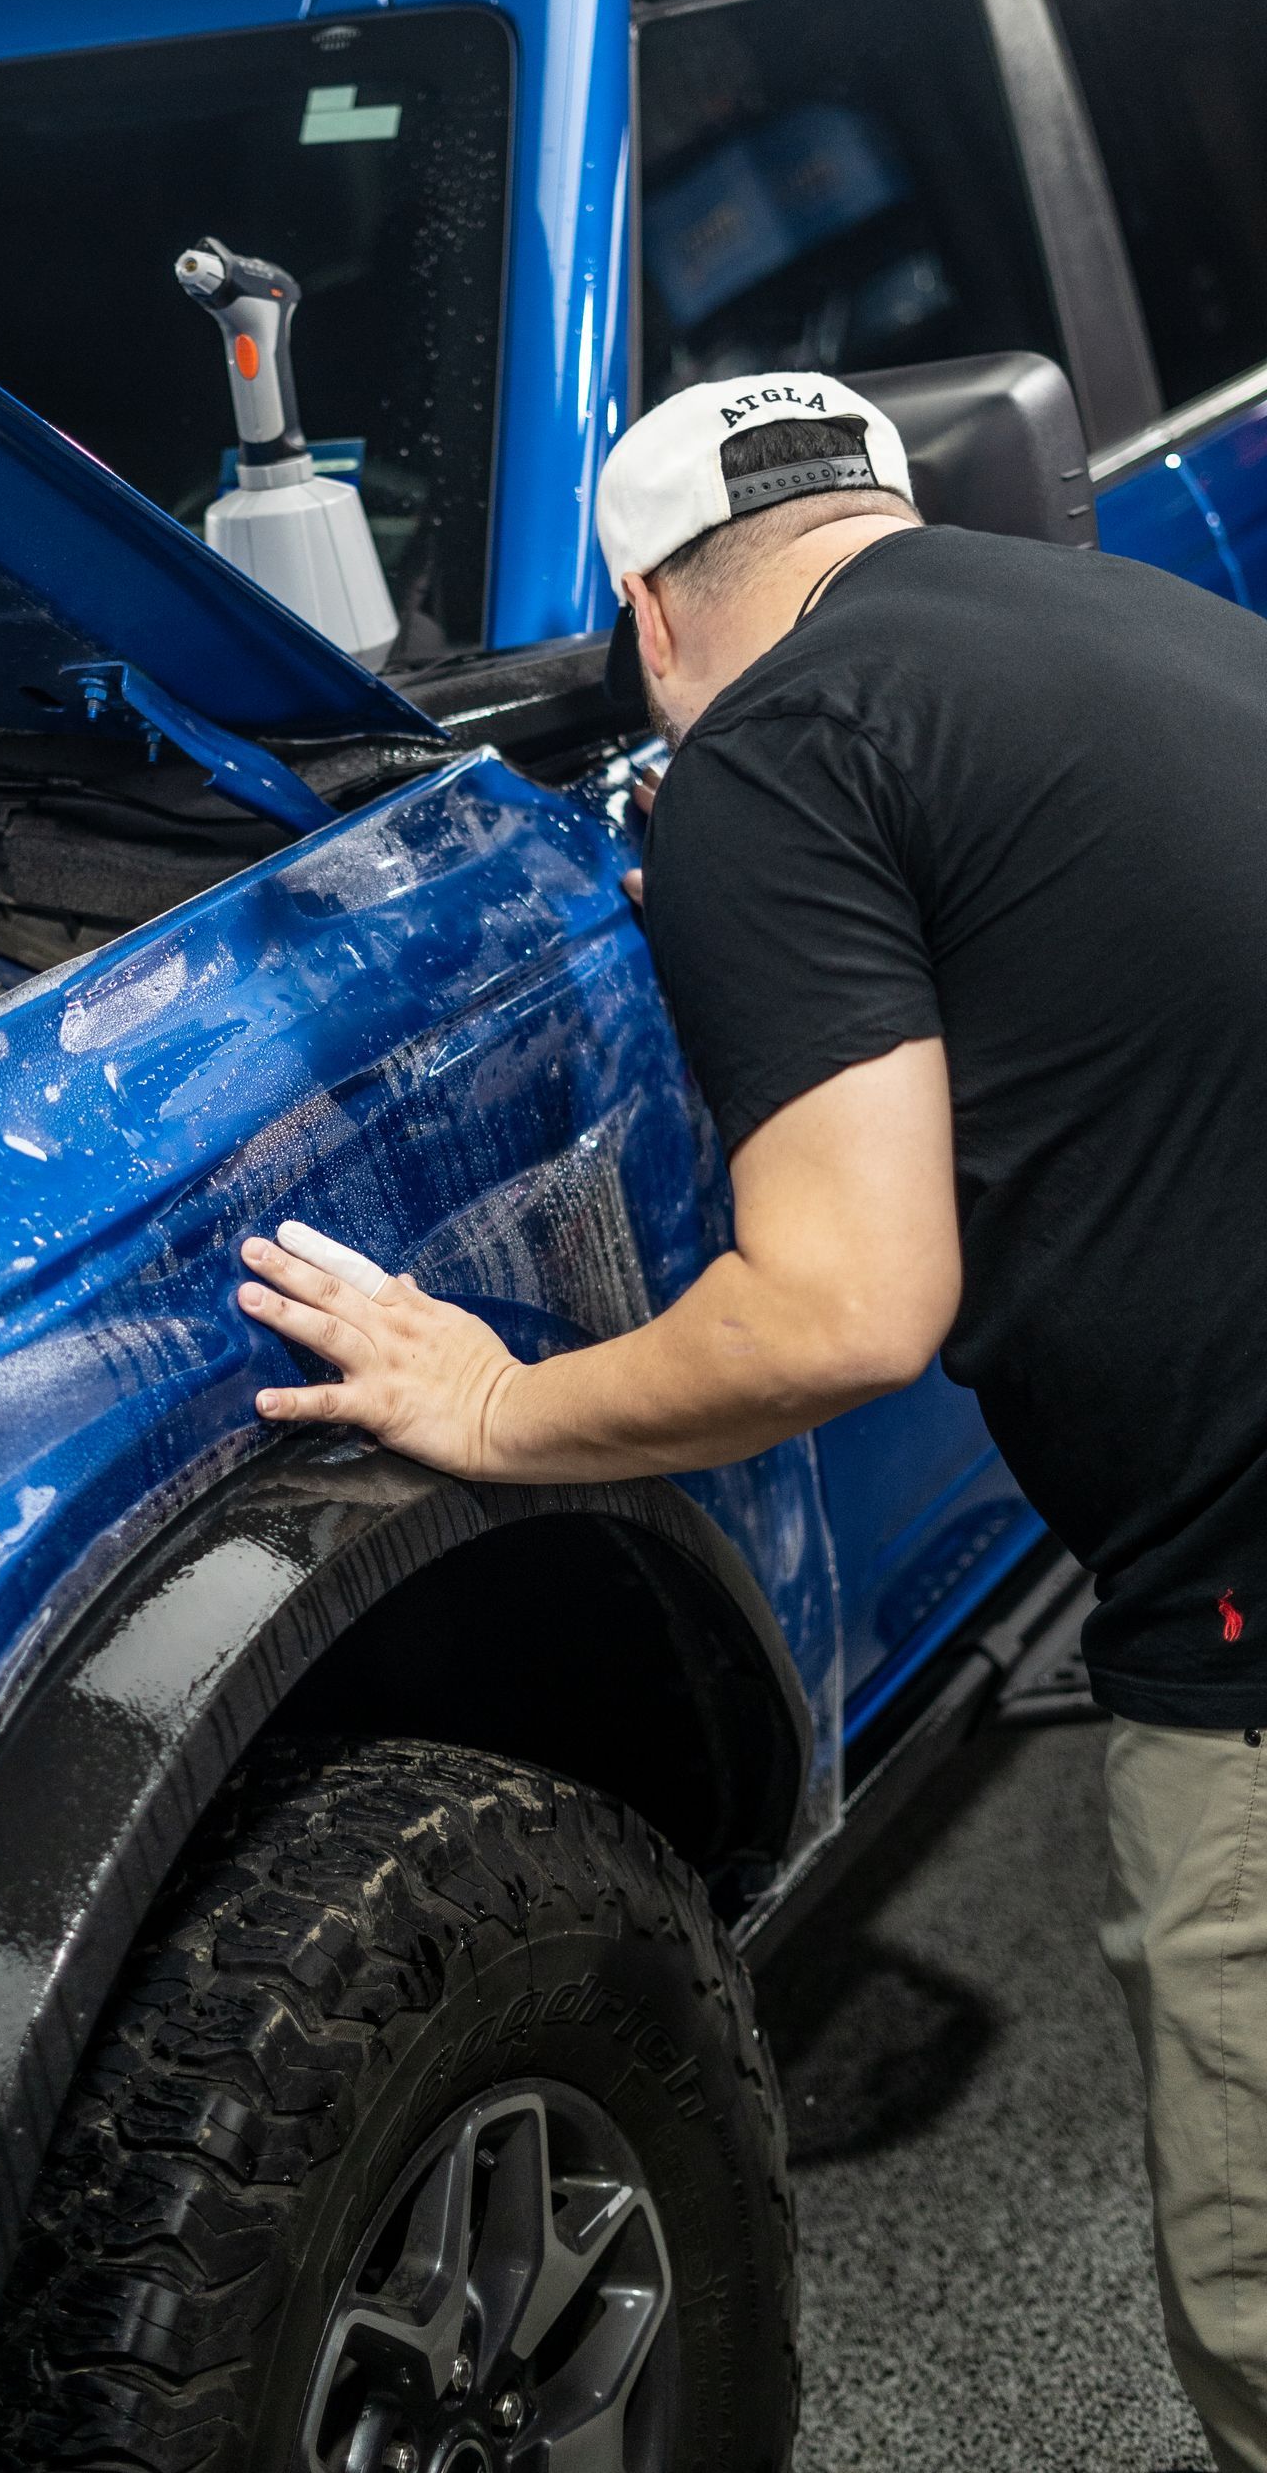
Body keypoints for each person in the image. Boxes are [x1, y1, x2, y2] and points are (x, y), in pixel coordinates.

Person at [238, 371, 1267, 2473]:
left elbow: (844, 1309)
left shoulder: (776, 753)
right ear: (887, 512)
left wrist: (502, 1400)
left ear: (649, 617)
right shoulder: (1170, 627)